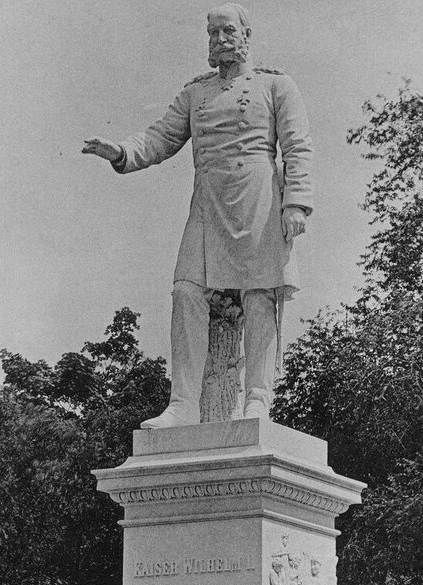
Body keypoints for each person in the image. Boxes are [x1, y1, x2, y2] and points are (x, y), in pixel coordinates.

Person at [83, 4, 313, 428]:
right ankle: (182, 403)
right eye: (212, 33)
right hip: (208, 204)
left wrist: (295, 202)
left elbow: (297, 146)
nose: (219, 39)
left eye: (228, 31)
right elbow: (160, 136)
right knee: (186, 291)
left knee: (259, 294)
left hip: (258, 199)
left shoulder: (276, 85)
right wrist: (121, 151)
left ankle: (258, 399)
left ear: (246, 34)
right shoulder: (196, 93)